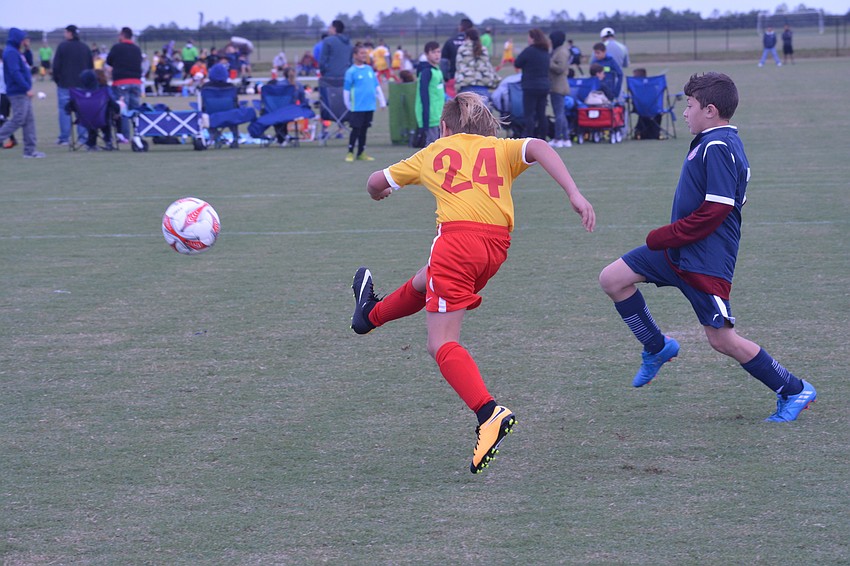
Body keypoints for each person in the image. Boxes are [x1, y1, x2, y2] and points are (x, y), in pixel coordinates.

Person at [350, 92, 595, 474]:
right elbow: (541, 146)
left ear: (445, 127)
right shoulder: (501, 149)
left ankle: (489, 413)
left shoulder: (434, 151)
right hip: (495, 248)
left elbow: (373, 181)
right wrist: (574, 194)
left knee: (441, 342)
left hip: (456, 242)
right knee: (428, 279)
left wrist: (378, 191)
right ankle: (369, 317)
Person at [598, 72, 816, 422]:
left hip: (704, 260)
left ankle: (793, 388)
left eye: (690, 106)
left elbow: (716, 210)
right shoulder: (714, 141)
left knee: (723, 340)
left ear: (710, 110)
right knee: (613, 278)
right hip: (680, 251)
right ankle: (657, 346)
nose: (684, 113)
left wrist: (663, 236)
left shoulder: (717, 146)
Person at [0, 28, 44, 158]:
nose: (26, 40)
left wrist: (28, 49)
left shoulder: (17, 52)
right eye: (24, 39)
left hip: (22, 92)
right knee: (18, 119)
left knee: (28, 121)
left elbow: (28, 63)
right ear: (17, 39)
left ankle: (30, 151)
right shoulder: (11, 52)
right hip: (17, 92)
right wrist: (26, 88)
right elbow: (15, 72)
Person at [343, 43, 386, 162]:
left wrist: (382, 101)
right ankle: (350, 152)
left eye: (365, 53)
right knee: (355, 130)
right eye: (361, 53)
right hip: (357, 107)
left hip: (369, 106)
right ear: (355, 55)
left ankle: (361, 152)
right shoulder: (351, 71)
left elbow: (376, 86)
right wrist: (348, 104)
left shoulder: (369, 69)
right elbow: (346, 90)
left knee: (364, 130)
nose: (364, 55)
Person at [52, 24, 93, 146]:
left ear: (70, 33)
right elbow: (90, 67)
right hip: (82, 85)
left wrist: (58, 80)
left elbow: (56, 66)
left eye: (65, 32)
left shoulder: (62, 47)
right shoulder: (85, 48)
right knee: (81, 111)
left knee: (64, 111)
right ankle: (83, 138)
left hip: (65, 84)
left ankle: (65, 138)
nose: (64, 35)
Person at [65, 69, 119, 151]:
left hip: (84, 120)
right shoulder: (103, 91)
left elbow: (67, 108)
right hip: (102, 120)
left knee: (91, 118)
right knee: (104, 114)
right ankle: (108, 141)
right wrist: (117, 111)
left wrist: (70, 110)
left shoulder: (78, 94)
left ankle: (91, 144)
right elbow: (114, 105)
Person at [105, 27, 142, 142]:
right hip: (136, 82)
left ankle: (125, 136)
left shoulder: (117, 48)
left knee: (123, 110)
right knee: (135, 109)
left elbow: (109, 61)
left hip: (121, 82)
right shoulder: (137, 49)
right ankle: (138, 133)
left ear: (122, 35)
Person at [514, 28, 551, 140]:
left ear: (533, 38)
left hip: (530, 86)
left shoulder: (529, 51)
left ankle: (529, 139)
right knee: (541, 114)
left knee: (529, 114)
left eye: (529, 37)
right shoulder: (545, 51)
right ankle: (543, 138)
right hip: (544, 86)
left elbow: (517, 63)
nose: (528, 39)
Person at [202, 63, 240, 148]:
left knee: (205, 117)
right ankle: (235, 138)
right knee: (234, 114)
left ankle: (216, 138)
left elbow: (203, 105)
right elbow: (235, 103)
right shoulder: (231, 87)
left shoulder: (205, 88)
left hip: (212, 116)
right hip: (229, 116)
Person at [414, 41, 444, 147]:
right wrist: (425, 119)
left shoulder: (437, 71)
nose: (437, 55)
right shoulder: (426, 72)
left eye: (438, 52)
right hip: (430, 117)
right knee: (432, 149)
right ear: (427, 54)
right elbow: (424, 96)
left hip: (439, 115)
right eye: (433, 52)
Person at [454, 28, 498, 99]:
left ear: (467, 37)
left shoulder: (462, 49)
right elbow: (488, 66)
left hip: (466, 86)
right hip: (482, 87)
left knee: (466, 110)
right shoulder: (483, 49)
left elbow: (459, 67)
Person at [548, 30, 572, 148]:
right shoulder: (558, 51)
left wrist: (548, 62)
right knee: (560, 113)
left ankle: (558, 138)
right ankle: (566, 138)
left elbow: (560, 68)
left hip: (559, 86)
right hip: (556, 86)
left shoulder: (561, 52)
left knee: (559, 114)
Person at [440, 18, 474, 98]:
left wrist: (445, 78)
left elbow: (443, 62)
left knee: (454, 106)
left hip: (453, 78)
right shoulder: (475, 43)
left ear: (460, 27)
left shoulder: (450, 41)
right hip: (471, 80)